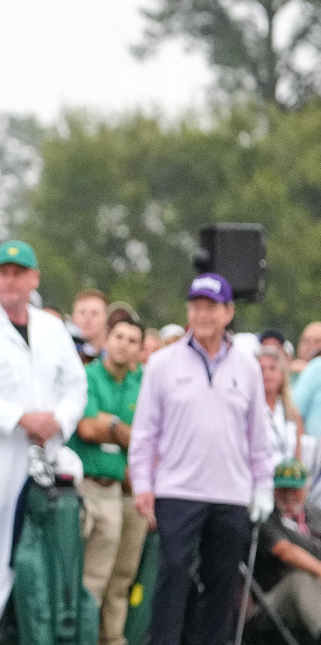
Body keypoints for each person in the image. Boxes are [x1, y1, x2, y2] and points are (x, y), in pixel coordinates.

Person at [0, 240, 87, 645]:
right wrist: (19, 418)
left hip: (46, 465)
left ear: (33, 278)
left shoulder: (52, 328)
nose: (10, 280)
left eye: (18, 272)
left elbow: (76, 386)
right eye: (3, 272)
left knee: (46, 569)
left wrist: (57, 420)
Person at [129, 273, 273, 645]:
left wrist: (264, 486)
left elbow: (257, 436)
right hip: (177, 489)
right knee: (173, 574)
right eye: (196, 306)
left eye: (210, 307)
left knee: (221, 583)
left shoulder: (248, 367)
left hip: (231, 493)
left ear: (229, 312)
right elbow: (145, 432)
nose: (202, 314)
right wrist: (143, 483)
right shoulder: (162, 363)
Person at [64, 316, 146, 643]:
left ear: (140, 348)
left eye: (132, 340)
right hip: (81, 487)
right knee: (73, 577)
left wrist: (109, 425)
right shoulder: (86, 376)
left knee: (103, 579)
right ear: (107, 339)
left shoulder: (140, 387)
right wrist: (121, 430)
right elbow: (86, 428)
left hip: (114, 491)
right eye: (119, 336)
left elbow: (145, 439)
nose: (124, 344)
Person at [249, 459, 321, 643]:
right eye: (282, 488)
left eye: (294, 488)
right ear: (273, 489)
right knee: (301, 580)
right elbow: (284, 550)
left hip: (315, 591)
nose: (288, 495)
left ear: (305, 489)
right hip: (274, 599)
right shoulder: (266, 516)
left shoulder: (315, 515)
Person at [260, 345, 307, 465]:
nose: (267, 374)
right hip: (262, 479)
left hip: (288, 479)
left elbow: (299, 454)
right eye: (261, 369)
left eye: (272, 368)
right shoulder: (250, 412)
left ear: (282, 374)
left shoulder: (292, 413)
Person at [71, 289, 108, 363]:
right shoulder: (64, 351)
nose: (88, 318)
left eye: (94, 313)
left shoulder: (113, 355)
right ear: (73, 317)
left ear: (106, 318)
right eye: (82, 312)